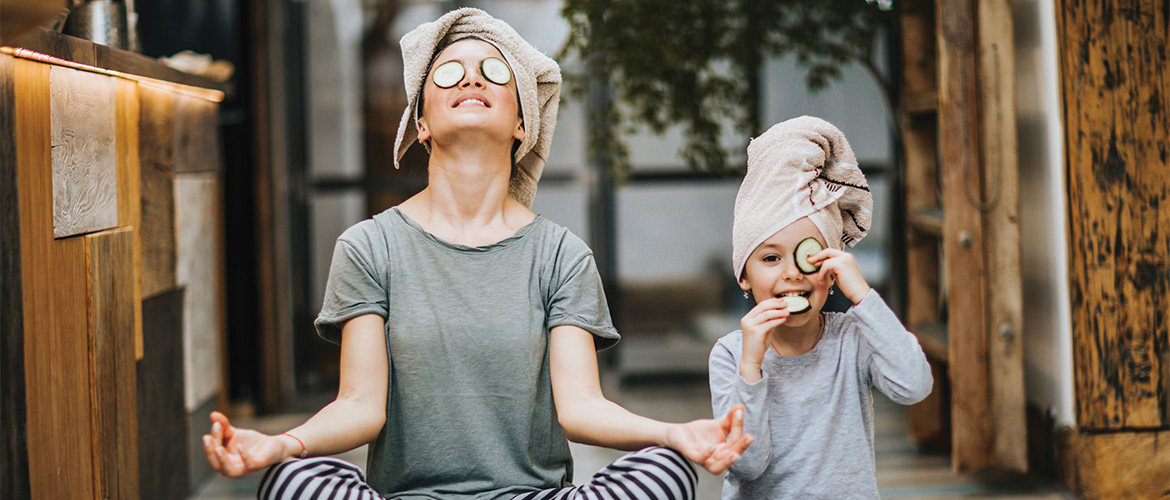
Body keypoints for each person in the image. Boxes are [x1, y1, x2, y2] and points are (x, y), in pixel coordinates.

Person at [202, 8, 751, 500]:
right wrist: (279, 445)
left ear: (522, 122)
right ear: (420, 123)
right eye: (447, 72)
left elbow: (581, 408)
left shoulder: (562, 255)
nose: (469, 77)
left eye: (493, 72)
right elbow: (359, 406)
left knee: (665, 469)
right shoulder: (369, 246)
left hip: (530, 497)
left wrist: (671, 433)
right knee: (291, 479)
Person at [708, 116, 933, 499]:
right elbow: (746, 464)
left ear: (830, 273)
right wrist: (751, 366)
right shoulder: (731, 355)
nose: (792, 274)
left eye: (807, 257)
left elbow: (914, 386)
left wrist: (863, 296)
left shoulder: (852, 337)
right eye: (769, 259)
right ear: (743, 277)